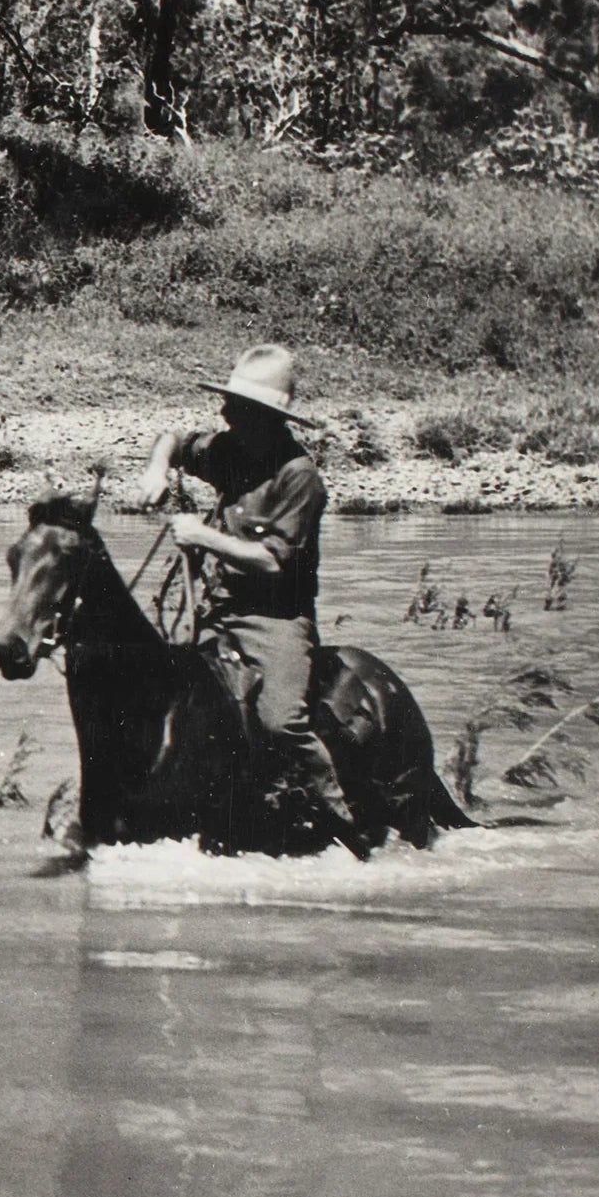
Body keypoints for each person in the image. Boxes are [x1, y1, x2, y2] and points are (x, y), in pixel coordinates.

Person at [134, 342, 354, 837]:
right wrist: (156, 467)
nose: (223, 411)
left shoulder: (300, 478)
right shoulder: (230, 450)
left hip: (274, 618)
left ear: (264, 415)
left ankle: (343, 821)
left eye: (234, 405)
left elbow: (272, 561)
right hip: (216, 607)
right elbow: (173, 438)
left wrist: (203, 536)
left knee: (280, 722)